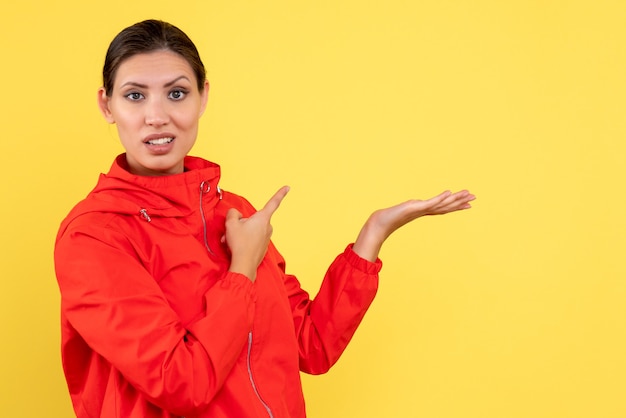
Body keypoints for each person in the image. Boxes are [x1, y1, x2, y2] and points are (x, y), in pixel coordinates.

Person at [54, 19, 475, 418]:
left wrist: (372, 236)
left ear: (203, 96)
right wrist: (242, 269)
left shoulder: (234, 213)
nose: (157, 116)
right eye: (134, 95)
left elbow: (311, 346)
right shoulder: (94, 236)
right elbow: (180, 381)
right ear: (107, 105)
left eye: (177, 93)